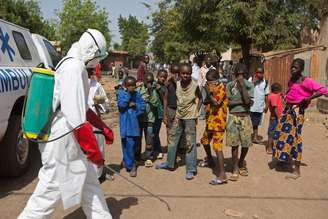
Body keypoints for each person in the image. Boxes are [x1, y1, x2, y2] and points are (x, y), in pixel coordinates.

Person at [18, 29, 113, 218]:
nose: (97, 62)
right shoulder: (73, 68)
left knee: (90, 183)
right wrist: (94, 151)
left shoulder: (76, 66)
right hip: (61, 138)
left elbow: (80, 106)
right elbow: (76, 119)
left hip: (68, 135)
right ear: (90, 51)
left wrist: (102, 127)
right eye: (97, 57)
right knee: (48, 192)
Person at [272, 58, 328, 179]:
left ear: (301, 69)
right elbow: (292, 92)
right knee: (282, 135)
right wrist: (285, 97)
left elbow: (323, 90)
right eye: (292, 66)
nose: (293, 69)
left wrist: (310, 98)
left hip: (297, 112)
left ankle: (296, 170)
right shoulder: (291, 80)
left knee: (296, 138)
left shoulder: (306, 81)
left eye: (296, 67)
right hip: (288, 110)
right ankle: (284, 160)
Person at [156, 63, 201, 180]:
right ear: (180, 74)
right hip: (178, 116)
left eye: (188, 73)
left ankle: (191, 169)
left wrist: (196, 111)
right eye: (183, 73)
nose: (185, 75)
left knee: (190, 143)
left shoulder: (195, 85)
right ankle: (170, 163)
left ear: (191, 74)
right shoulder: (177, 84)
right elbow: (167, 96)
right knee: (172, 139)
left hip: (190, 118)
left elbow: (200, 98)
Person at [226, 63, 254, 182]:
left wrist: (242, 85)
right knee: (234, 144)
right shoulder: (229, 85)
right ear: (235, 74)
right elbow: (228, 103)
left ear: (246, 74)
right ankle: (235, 167)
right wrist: (242, 101)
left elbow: (248, 101)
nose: (240, 76)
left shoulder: (249, 85)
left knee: (246, 143)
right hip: (233, 117)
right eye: (238, 74)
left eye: (242, 74)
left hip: (246, 117)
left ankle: (241, 161)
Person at [200, 69, 228, 185]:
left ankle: (222, 175)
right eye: (207, 81)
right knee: (204, 140)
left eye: (210, 81)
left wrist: (207, 90)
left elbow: (216, 102)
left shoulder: (221, 88)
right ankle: (210, 160)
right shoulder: (212, 87)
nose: (208, 83)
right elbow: (207, 101)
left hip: (218, 123)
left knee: (217, 147)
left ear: (216, 81)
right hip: (211, 121)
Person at [117, 76, 145, 177]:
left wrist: (135, 105)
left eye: (133, 86)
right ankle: (126, 161)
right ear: (125, 86)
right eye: (129, 86)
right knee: (125, 144)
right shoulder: (121, 94)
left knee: (131, 145)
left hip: (133, 125)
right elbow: (121, 105)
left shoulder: (137, 95)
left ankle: (131, 165)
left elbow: (142, 107)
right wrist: (128, 96)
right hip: (124, 124)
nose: (131, 88)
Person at [87, 65, 110, 182]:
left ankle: (98, 175)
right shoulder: (76, 84)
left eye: (91, 71)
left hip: (95, 122)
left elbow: (106, 103)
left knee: (98, 148)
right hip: (80, 123)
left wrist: (98, 102)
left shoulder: (97, 86)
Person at [136, 73, 161, 167]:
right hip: (139, 118)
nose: (149, 84)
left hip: (150, 118)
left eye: (151, 82)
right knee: (138, 139)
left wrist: (150, 92)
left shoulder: (154, 90)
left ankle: (149, 157)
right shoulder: (139, 89)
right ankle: (137, 157)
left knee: (149, 138)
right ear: (144, 81)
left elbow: (155, 103)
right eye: (148, 81)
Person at [249, 67, 269, 143]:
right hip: (250, 106)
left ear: (263, 73)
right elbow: (247, 90)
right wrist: (253, 83)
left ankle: (255, 137)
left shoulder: (265, 82)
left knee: (256, 123)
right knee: (248, 122)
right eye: (257, 72)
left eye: (260, 73)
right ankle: (247, 137)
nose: (259, 74)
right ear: (255, 72)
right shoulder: (250, 80)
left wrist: (267, 105)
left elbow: (266, 95)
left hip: (259, 107)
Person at [153, 69, 168, 159]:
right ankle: (155, 149)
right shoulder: (153, 85)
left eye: (164, 77)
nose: (162, 79)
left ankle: (158, 150)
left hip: (159, 112)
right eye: (161, 77)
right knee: (152, 132)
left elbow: (165, 100)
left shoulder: (164, 88)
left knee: (156, 132)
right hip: (151, 112)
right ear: (157, 76)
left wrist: (160, 91)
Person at [266, 83, 283, 154]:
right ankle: (269, 148)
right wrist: (279, 117)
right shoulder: (274, 96)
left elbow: (267, 104)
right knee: (272, 133)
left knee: (274, 133)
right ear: (277, 90)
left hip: (274, 117)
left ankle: (273, 147)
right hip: (275, 118)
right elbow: (275, 107)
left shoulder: (271, 95)